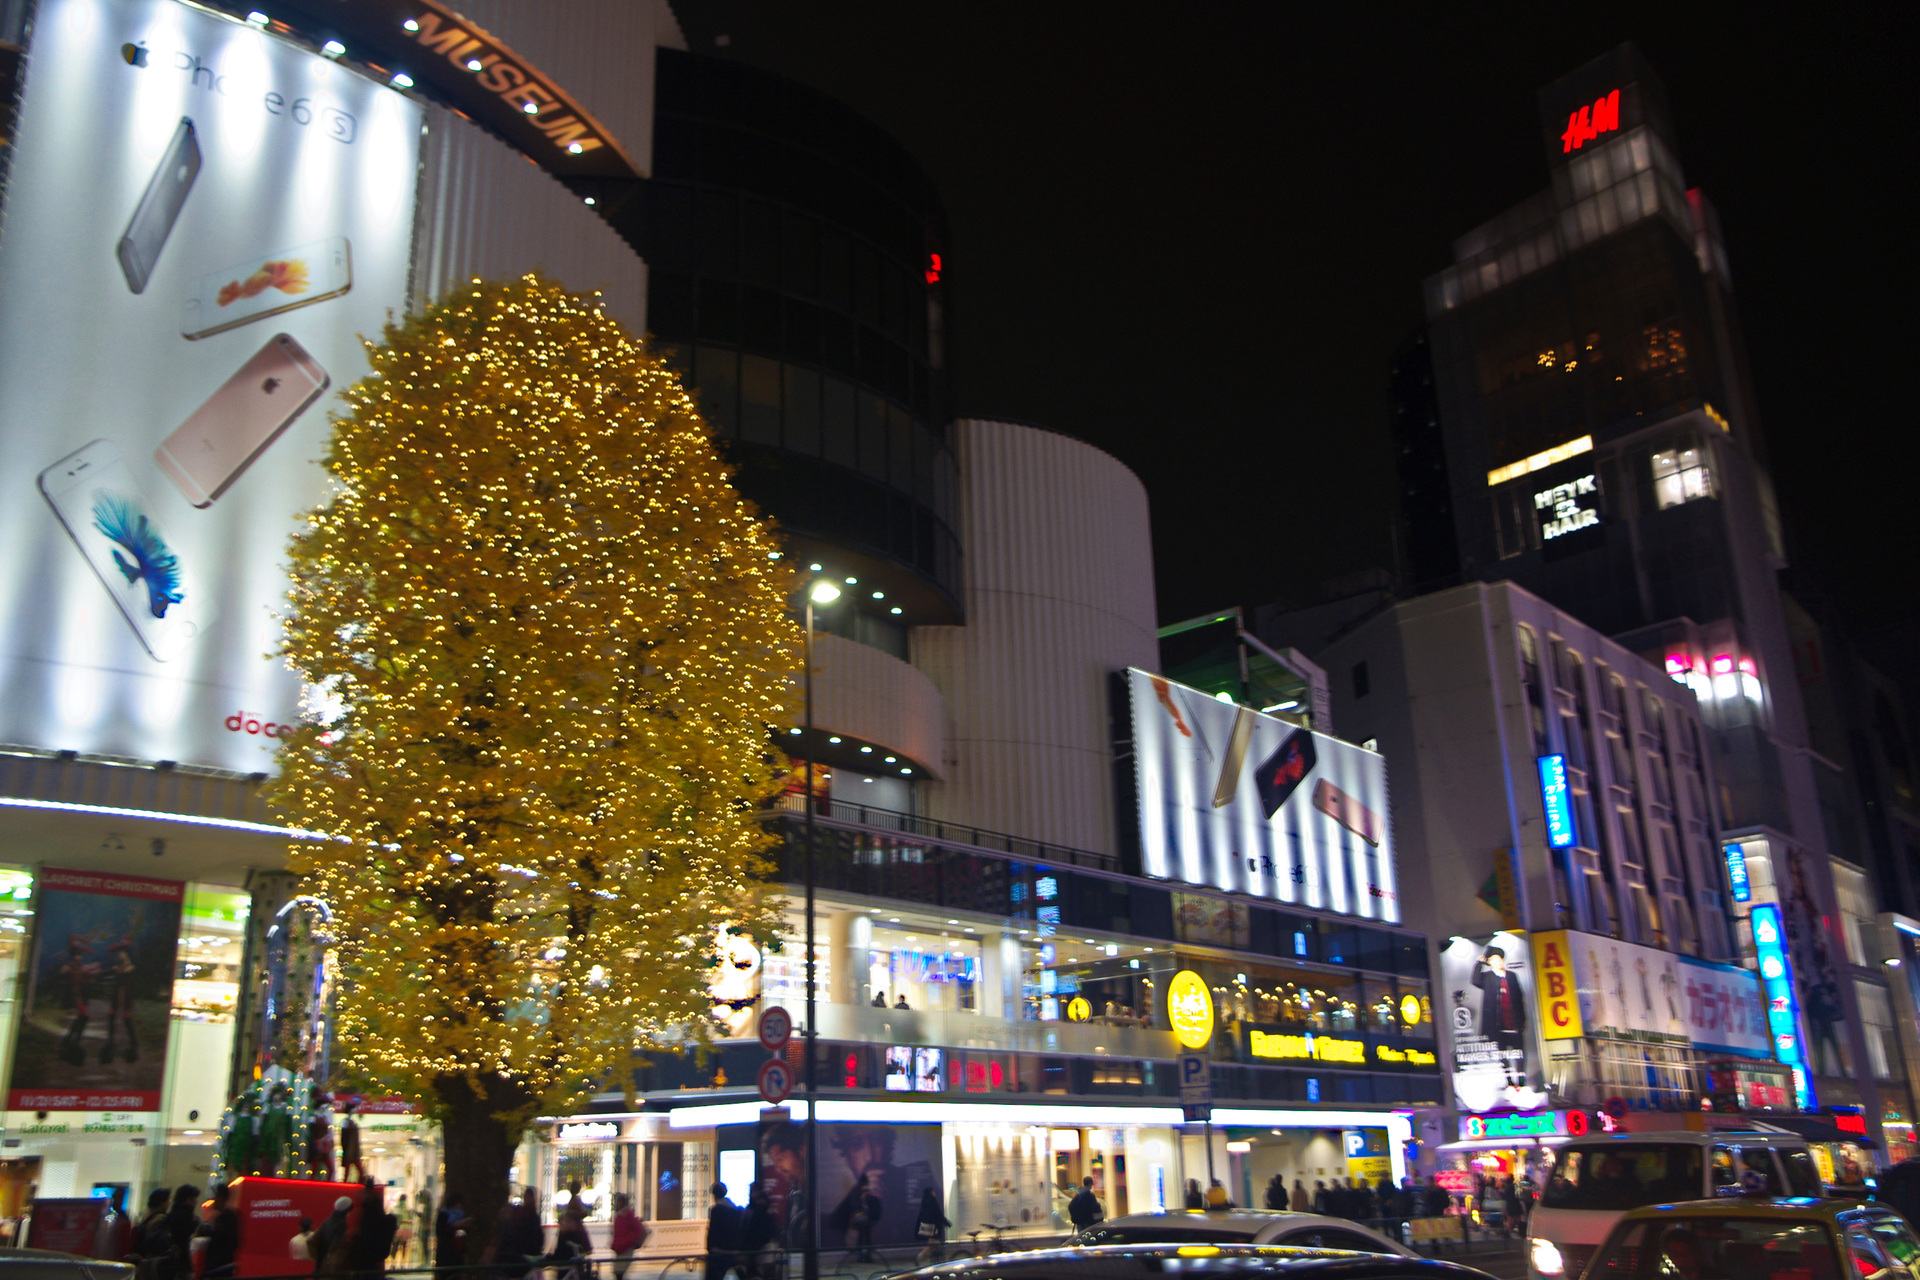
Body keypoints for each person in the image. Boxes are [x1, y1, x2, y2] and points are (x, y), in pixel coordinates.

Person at [349, 1182, 398, 1280]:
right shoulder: (375, 1208)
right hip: (372, 1257)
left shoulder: (369, 1212)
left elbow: (368, 1234)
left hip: (366, 1256)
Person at [200, 1184, 240, 1279]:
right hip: (223, 1262)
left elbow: (221, 1236)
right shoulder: (229, 1215)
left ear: (222, 1198)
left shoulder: (226, 1216)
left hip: (218, 1263)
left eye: (217, 1197)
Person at [739, 1186, 777, 1280]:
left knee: (753, 1271)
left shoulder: (754, 1210)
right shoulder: (764, 1211)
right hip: (762, 1246)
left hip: (755, 1247)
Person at [706, 1183, 741, 1280]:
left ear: (714, 1195)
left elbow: (713, 1231)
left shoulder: (716, 1210)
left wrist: (709, 1247)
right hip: (732, 1250)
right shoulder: (733, 1209)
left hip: (718, 1251)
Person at [316, 1196, 356, 1278]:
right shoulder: (342, 1224)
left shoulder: (328, 1221)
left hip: (324, 1262)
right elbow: (337, 1244)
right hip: (334, 1265)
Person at [610, 1192, 646, 1280]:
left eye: (618, 1201)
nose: (616, 1204)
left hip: (625, 1248)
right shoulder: (621, 1216)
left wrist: (626, 1242)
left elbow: (636, 1231)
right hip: (622, 1248)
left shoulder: (626, 1216)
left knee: (618, 1272)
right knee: (618, 1273)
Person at [914, 1187, 950, 1263]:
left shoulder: (924, 1202)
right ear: (931, 1192)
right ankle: (920, 1257)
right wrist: (946, 1222)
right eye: (933, 1192)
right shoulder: (932, 1201)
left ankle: (931, 1259)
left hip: (928, 1227)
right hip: (933, 1227)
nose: (934, 1193)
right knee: (933, 1244)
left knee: (933, 1244)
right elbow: (938, 1214)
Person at [434, 1193, 467, 1269]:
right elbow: (440, 1231)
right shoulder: (444, 1214)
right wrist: (453, 1228)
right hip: (446, 1249)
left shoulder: (462, 1215)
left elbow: (463, 1232)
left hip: (458, 1249)